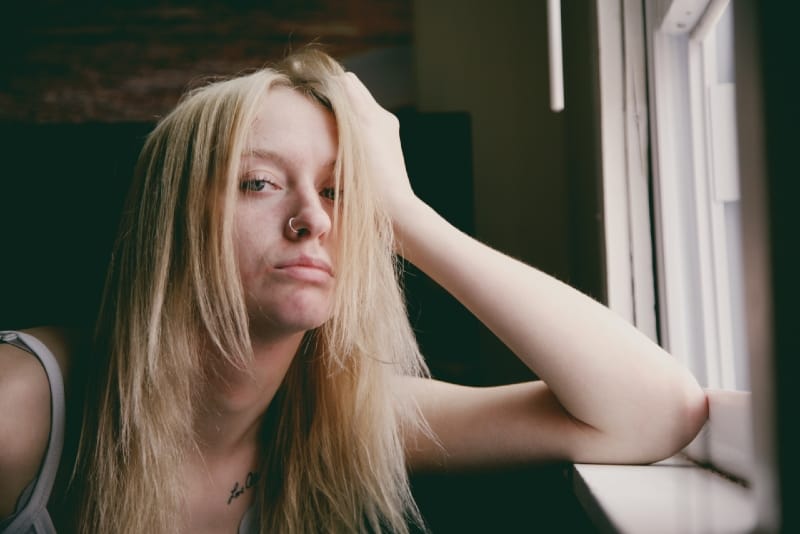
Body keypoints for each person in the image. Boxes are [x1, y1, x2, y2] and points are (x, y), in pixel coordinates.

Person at [0, 48, 708, 534]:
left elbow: (655, 412)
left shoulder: (339, 412)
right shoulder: (22, 410)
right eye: (259, 183)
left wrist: (404, 212)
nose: (314, 219)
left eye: (340, 192)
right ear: (172, 222)